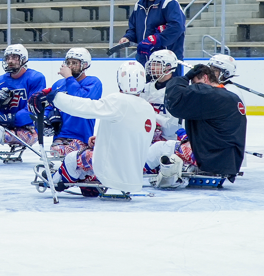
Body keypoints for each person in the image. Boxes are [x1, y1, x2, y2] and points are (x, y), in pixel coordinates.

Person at [34, 61, 155, 197]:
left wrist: (56, 98)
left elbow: (85, 107)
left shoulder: (117, 100)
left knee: (72, 158)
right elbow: (129, 135)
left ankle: (55, 180)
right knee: (86, 164)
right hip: (133, 176)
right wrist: (101, 139)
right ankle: (87, 184)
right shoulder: (148, 108)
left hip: (111, 171)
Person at [164, 55, 247, 182]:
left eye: (194, 83)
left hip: (211, 159)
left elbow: (174, 102)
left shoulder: (209, 94)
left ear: (205, 78)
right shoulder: (231, 95)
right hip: (227, 160)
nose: (192, 88)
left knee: (160, 148)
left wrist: (185, 78)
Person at [140, 50, 191, 188]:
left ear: (169, 67)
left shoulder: (177, 90)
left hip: (170, 141)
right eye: (151, 64)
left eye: (157, 64)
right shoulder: (146, 88)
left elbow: (171, 126)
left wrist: (149, 113)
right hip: (149, 138)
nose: (152, 68)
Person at [118, 0, 186, 67]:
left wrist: (156, 39)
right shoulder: (139, 6)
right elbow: (134, 29)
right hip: (144, 62)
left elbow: (176, 28)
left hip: (167, 65)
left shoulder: (169, 3)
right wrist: (128, 38)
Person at [46, 47, 102, 158]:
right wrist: (46, 119)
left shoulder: (93, 82)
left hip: (82, 137)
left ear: (85, 65)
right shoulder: (58, 84)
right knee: (55, 151)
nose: (70, 66)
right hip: (60, 136)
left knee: (64, 152)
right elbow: (50, 106)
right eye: (68, 63)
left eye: (75, 63)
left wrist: (69, 78)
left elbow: (80, 100)